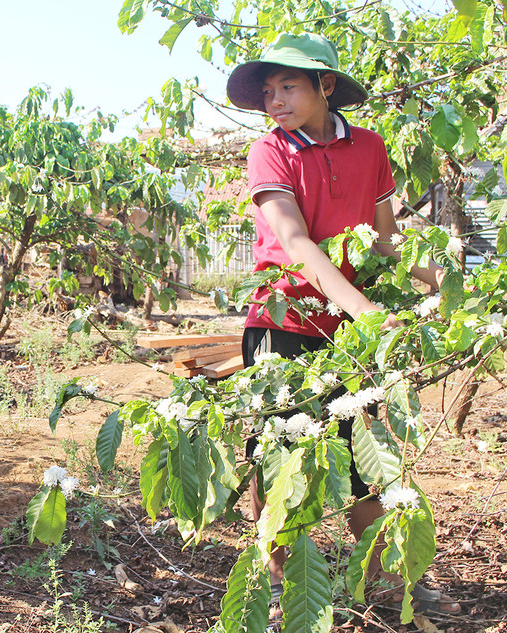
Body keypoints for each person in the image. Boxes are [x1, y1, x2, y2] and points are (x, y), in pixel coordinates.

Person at [226, 33, 459, 615]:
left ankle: (387, 581)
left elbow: (383, 240)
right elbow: (295, 239)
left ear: (326, 86)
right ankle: (277, 582)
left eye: (289, 86)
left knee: (362, 455)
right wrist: (363, 309)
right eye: (268, 91)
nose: (273, 100)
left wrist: (446, 285)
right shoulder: (269, 151)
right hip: (285, 319)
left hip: (348, 333)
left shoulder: (371, 148)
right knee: (276, 452)